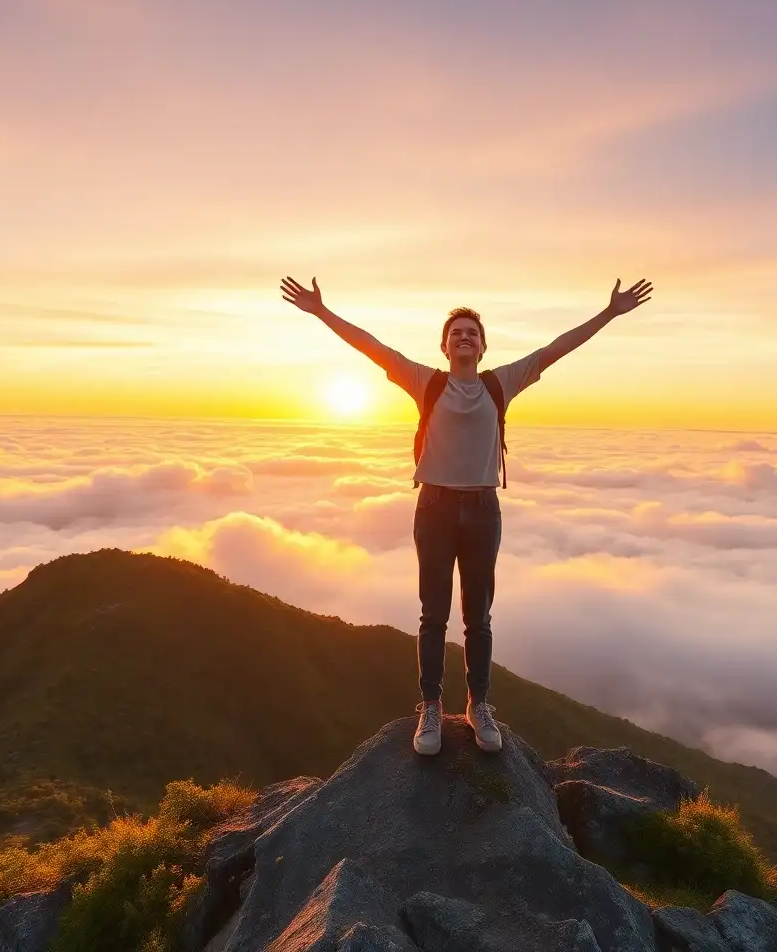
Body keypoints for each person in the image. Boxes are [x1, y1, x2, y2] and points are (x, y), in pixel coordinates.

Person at [280, 275, 653, 756]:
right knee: (433, 614)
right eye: (455, 332)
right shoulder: (425, 382)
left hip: (482, 508)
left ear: (481, 347)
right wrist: (322, 311)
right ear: (444, 345)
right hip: (433, 507)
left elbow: (557, 348)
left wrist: (608, 313)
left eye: (471, 333)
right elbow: (372, 347)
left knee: (478, 618)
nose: (463, 337)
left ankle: (478, 705)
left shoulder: (502, 383)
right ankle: (431, 707)